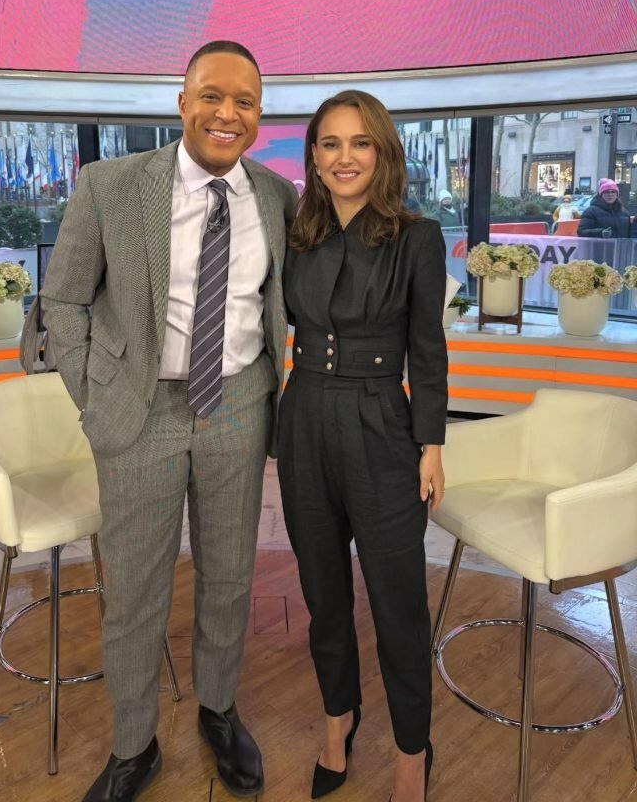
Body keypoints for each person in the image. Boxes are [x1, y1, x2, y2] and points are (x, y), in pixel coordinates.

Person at [39, 41, 298, 802]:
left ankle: (219, 711)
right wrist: (97, 394)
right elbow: (63, 300)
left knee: (230, 575)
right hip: (140, 410)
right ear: (182, 103)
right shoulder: (110, 185)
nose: (227, 113)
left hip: (239, 404)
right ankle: (133, 747)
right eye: (212, 96)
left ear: (259, 115)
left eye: (245, 101)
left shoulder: (276, 197)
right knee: (135, 592)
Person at [277, 90, 447, 802]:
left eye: (360, 143)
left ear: (382, 153)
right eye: (330, 143)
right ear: (314, 157)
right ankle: (338, 717)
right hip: (304, 417)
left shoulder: (417, 237)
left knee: (397, 605)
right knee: (323, 596)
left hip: (383, 427)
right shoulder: (298, 235)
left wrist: (430, 444)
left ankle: (412, 750)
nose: (344, 157)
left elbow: (427, 349)